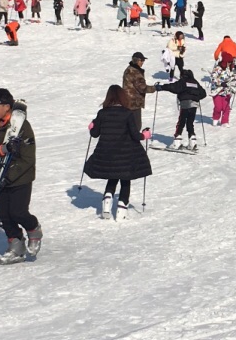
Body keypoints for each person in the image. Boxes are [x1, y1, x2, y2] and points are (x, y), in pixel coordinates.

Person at [0, 89, 42, 264]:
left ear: (6, 107)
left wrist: (10, 175)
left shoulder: (22, 126)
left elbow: (28, 158)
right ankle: (16, 246)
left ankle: (33, 229)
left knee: (18, 212)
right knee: (5, 215)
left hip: (21, 176)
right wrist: (0, 150)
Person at [84, 84, 151, 220]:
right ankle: (121, 209)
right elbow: (135, 135)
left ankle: (107, 200)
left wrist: (92, 127)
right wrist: (145, 135)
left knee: (113, 176)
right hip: (125, 154)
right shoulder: (127, 114)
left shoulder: (102, 113)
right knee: (125, 180)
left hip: (107, 154)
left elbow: (95, 134)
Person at [157, 67, 207, 149]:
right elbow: (203, 93)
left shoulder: (183, 81)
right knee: (190, 122)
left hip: (185, 103)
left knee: (181, 121)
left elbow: (173, 87)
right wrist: (196, 97)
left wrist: (162, 87)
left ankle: (177, 141)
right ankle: (192, 141)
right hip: (194, 104)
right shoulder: (195, 82)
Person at [122, 51, 157, 132]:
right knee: (136, 126)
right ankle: (132, 143)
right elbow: (142, 88)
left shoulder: (128, 69)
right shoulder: (135, 71)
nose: (143, 62)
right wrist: (155, 88)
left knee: (129, 126)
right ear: (137, 60)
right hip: (134, 103)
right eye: (142, 60)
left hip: (127, 102)